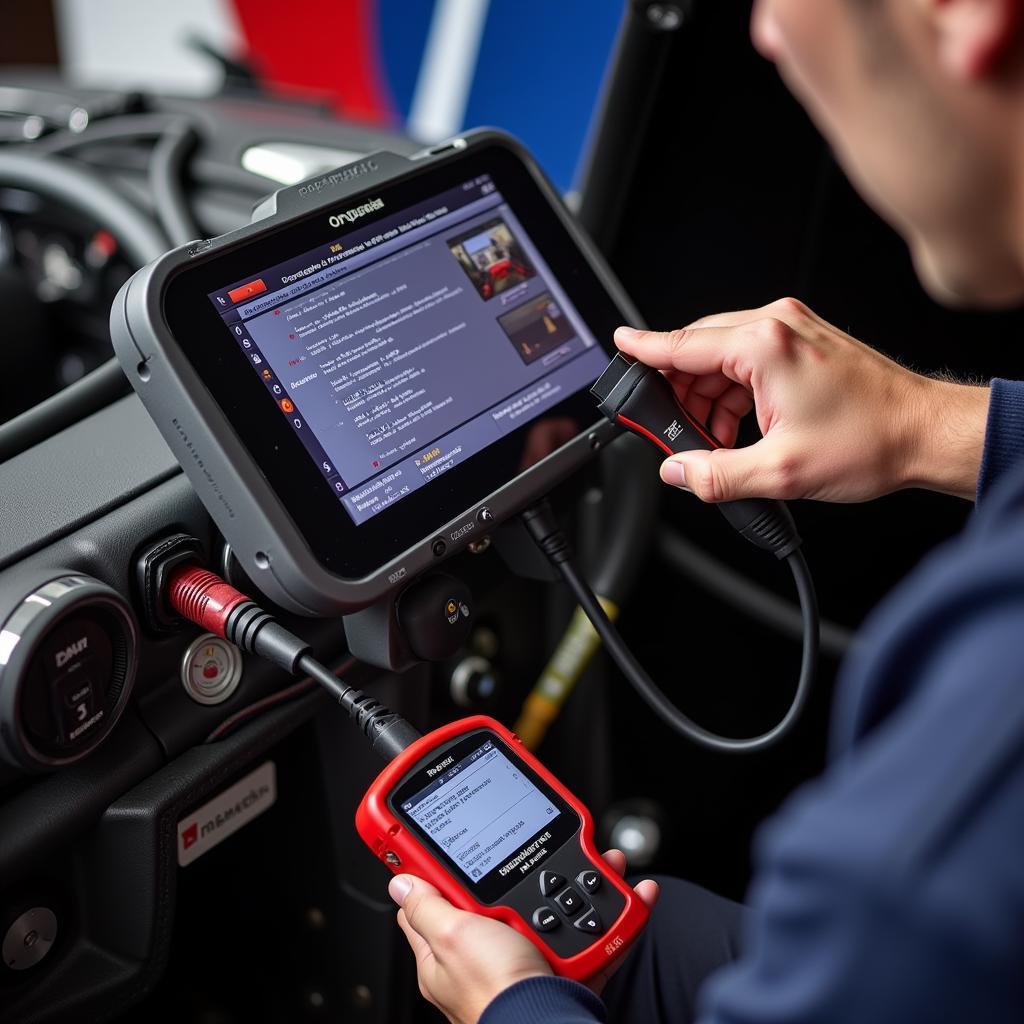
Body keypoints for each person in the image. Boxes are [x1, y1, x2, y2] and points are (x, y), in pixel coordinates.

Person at [386, 1, 1024, 1021]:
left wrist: (514, 1009)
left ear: (963, 18)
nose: (766, 34)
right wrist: (922, 424)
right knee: (654, 930)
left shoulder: (955, 797)